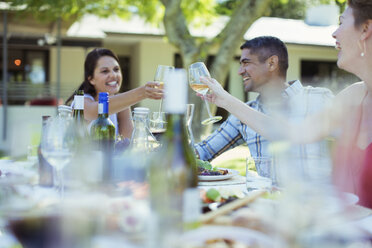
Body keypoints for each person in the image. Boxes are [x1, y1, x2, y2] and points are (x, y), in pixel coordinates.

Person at [199, 0, 372, 208]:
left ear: (365, 29)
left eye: (341, 22)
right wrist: (224, 99)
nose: (334, 33)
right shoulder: (352, 96)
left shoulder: (321, 98)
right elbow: (291, 133)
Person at [195, 36, 334, 179]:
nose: (239, 71)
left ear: (272, 63)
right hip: (269, 200)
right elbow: (202, 151)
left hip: (317, 199)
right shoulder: (243, 115)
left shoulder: (319, 98)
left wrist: (227, 100)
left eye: (246, 63)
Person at [66, 48, 163, 139]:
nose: (113, 75)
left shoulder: (121, 106)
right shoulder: (81, 101)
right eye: (105, 71)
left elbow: (128, 142)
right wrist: (143, 92)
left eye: (116, 69)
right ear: (91, 79)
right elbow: (95, 111)